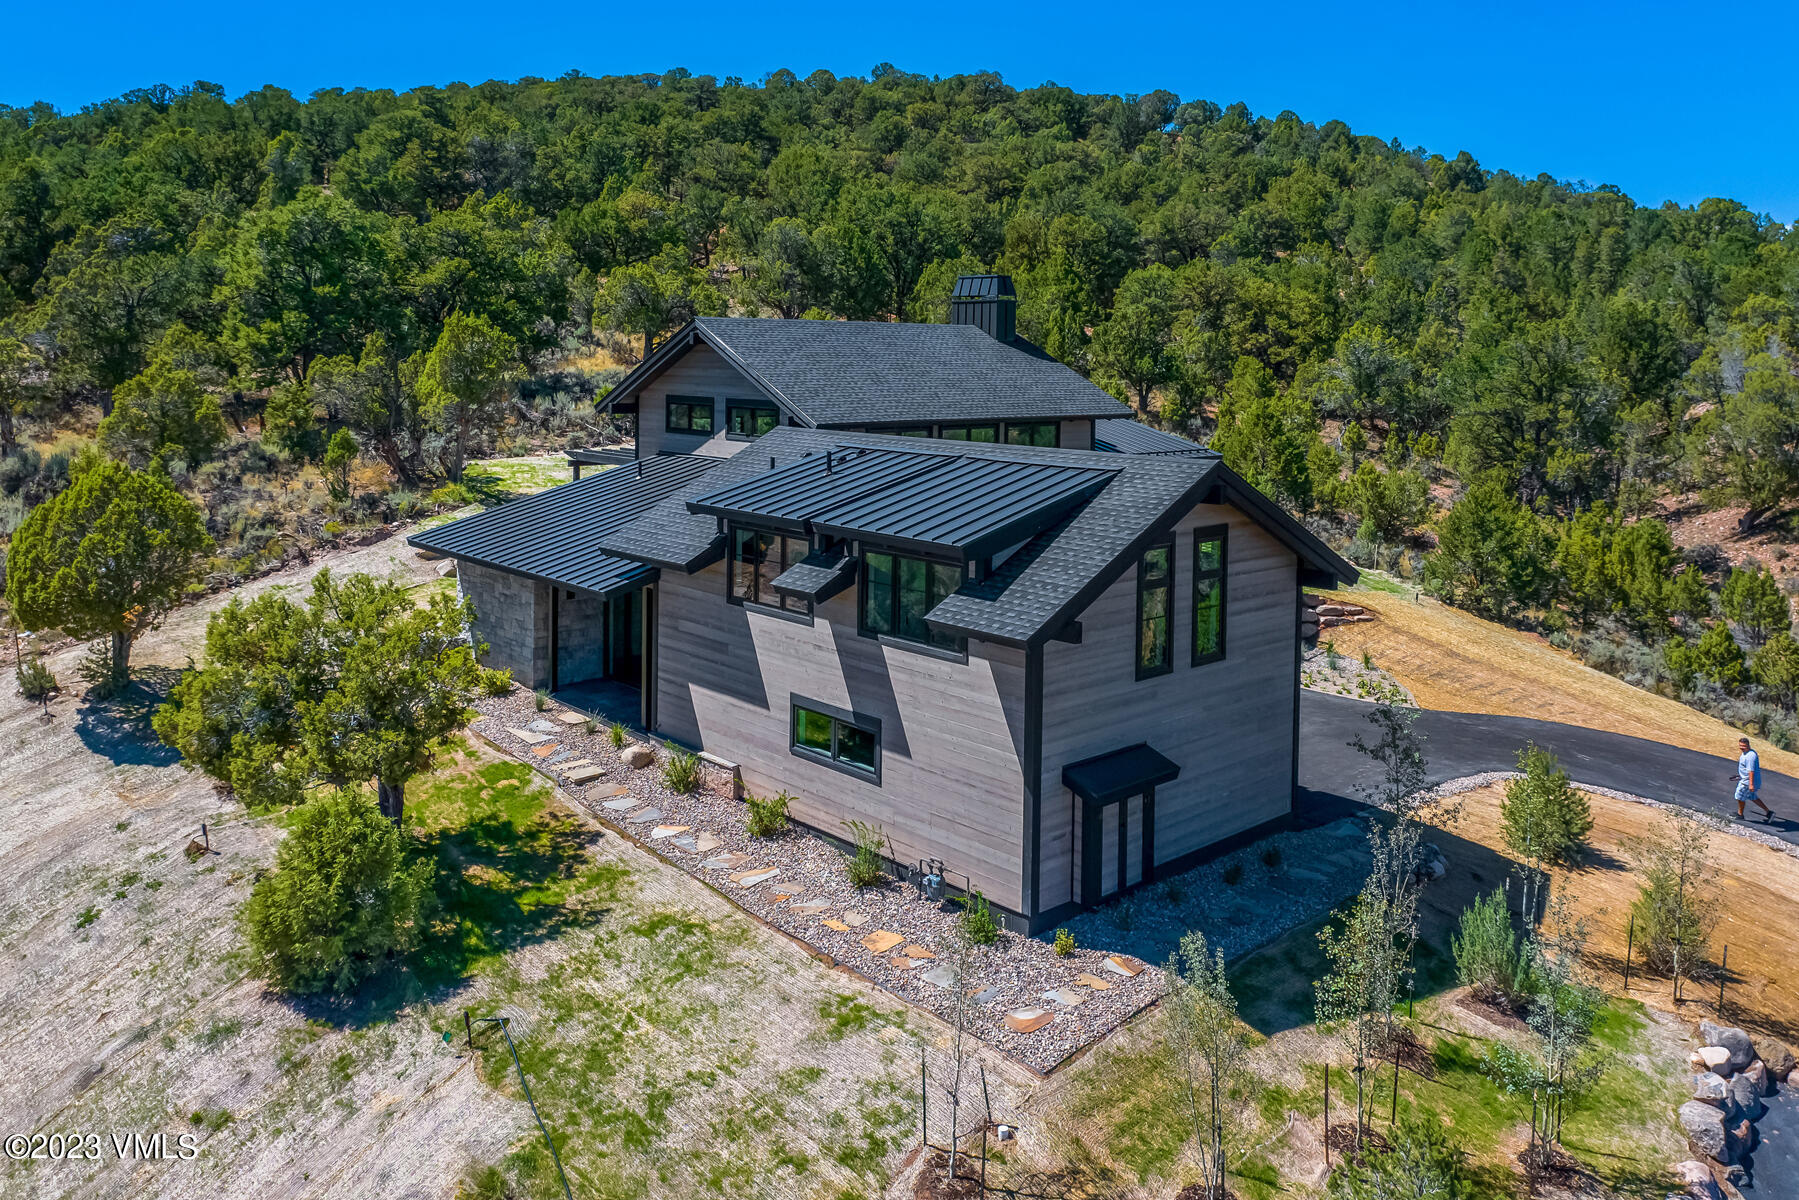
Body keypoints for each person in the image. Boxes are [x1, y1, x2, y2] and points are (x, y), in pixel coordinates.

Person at [1729, 736, 1774, 823]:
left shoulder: (1750, 756)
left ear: (1748, 745)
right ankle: (1769, 813)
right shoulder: (1746, 753)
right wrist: (1741, 775)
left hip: (1748, 781)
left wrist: (1751, 784)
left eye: (1743, 746)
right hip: (1747, 779)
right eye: (1740, 745)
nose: (1741, 747)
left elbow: (1751, 771)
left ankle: (1740, 814)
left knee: (1739, 795)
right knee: (1752, 796)